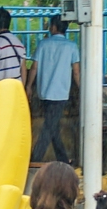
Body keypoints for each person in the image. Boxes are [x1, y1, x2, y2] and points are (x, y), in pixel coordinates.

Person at [26, 16, 79, 163]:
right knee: (51, 126)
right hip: (61, 93)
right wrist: (81, 89)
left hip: (44, 91)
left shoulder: (43, 44)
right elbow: (76, 71)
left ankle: (38, 159)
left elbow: (34, 67)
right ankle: (43, 159)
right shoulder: (72, 46)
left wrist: (29, 86)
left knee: (50, 126)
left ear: (54, 27)